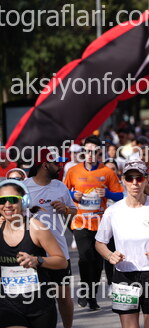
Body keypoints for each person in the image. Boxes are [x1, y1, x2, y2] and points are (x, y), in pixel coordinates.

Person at [96, 160, 149, 328]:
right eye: (130, 178)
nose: (135, 183)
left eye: (139, 178)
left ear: (146, 180)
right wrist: (110, 255)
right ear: (123, 180)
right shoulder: (113, 211)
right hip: (124, 275)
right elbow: (100, 242)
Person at [63, 135, 124, 310]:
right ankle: (84, 290)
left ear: (99, 153)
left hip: (101, 223)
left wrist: (107, 194)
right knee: (85, 257)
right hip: (80, 222)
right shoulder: (73, 171)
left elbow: (120, 195)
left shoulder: (107, 172)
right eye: (87, 151)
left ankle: (92, 296)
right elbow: (63, 191)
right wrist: (72, 195)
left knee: (97, 262)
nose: (90, 155)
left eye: (94, 151)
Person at [0, 179, 68, 328]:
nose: (7, 205)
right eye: (2, 201)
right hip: (8, 307)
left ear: (24, 202)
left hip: (40, 307)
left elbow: (62, 262)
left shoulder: (37, 228)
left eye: (13, 200)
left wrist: (37, 260)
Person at [25, 149, 77, 328]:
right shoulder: (24, 187)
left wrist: (66, 209)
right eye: (57, 163)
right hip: (33, 251)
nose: (60, 166)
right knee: (38, 299)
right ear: (45, 165)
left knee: (64, 298)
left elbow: (74, 210)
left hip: (59, 252)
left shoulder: (60, 186)